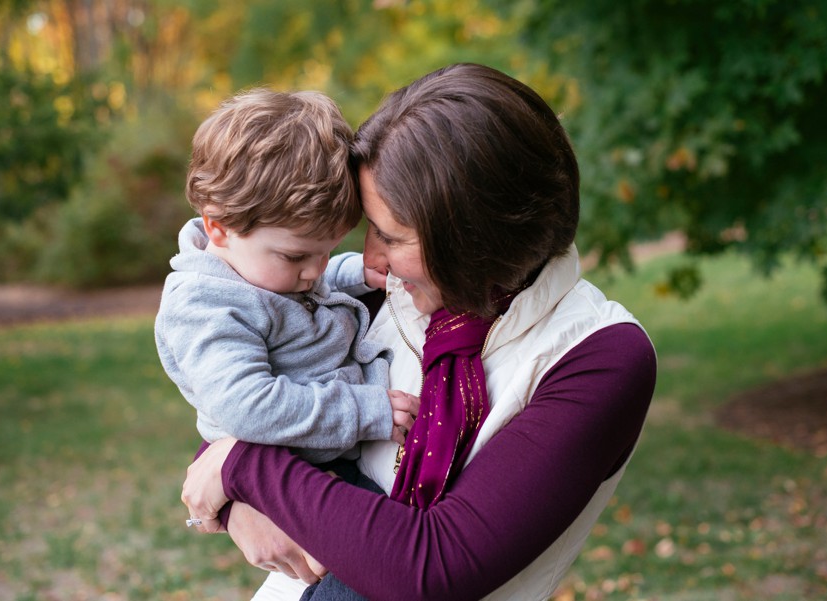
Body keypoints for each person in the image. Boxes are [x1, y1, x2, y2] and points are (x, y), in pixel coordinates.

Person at [181, 63, 657, 600]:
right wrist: (228, 483)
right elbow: (242, 395)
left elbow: (433, 567)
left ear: (473, 236)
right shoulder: (380, 295)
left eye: (392, 236)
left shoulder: (600, 355)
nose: (371, 259)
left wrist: (242, 468)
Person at [155, 88, 420, 479]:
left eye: (326, 252)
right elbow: (249, 406)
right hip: (298, 474)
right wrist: (365, 410)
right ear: (218, 227)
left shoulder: (260, 268)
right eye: (296, 257)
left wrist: (353, 273)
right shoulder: (204, 307)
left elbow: (309, 285)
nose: (314, 272)